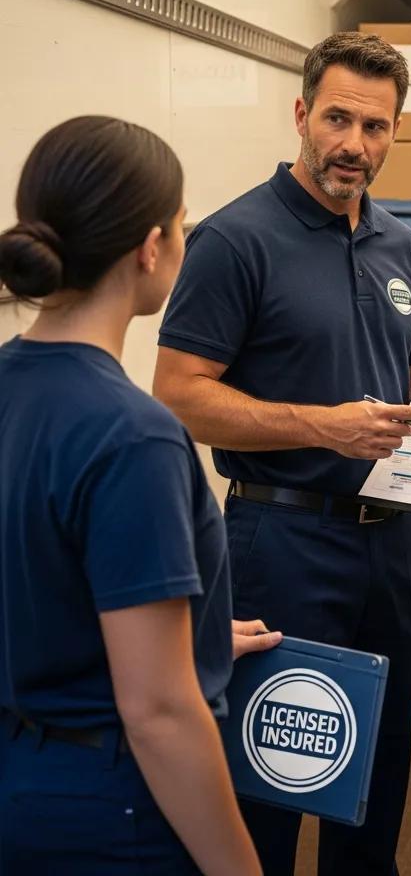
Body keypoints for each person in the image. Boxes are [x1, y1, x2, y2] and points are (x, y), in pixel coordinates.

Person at [152, 31, 411, 876]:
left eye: (375, 127)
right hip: (279, 541)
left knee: (376, 767)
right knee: (272, 773)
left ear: (394, 132)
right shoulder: (236, 239)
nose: (354, 145)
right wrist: (320, 426)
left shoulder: (401, 245)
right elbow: (180, 394)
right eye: (338, 119)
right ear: (301, 114)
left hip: (388, 543)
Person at [0, 116, 282, 874]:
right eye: (183, 225)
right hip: (108, 809)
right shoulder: (134, 436)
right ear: (151, 247)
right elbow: (159, 713)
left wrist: (194, 639)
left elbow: (42, 583)